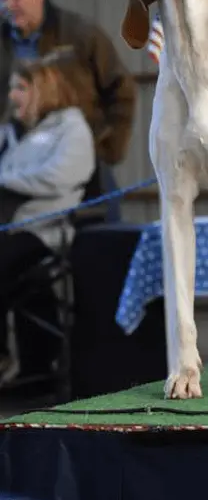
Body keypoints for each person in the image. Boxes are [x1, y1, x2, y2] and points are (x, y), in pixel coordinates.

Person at [0, 0, 136, 220]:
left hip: (77, 155)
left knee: (99, 231)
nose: (8, 5)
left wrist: (107, 149)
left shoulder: (80, 34)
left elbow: (121, 90)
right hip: (21, 161)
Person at [0, 56, 96, 385]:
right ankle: (29, 366)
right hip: (13, 227)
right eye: (12, 88)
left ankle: (12, 359)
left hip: (44, 230)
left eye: (21, 88)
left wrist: (7, 178)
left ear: (44, 90)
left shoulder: (72, 128)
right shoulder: (24, 133)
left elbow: (58, 177)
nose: (13, 96)